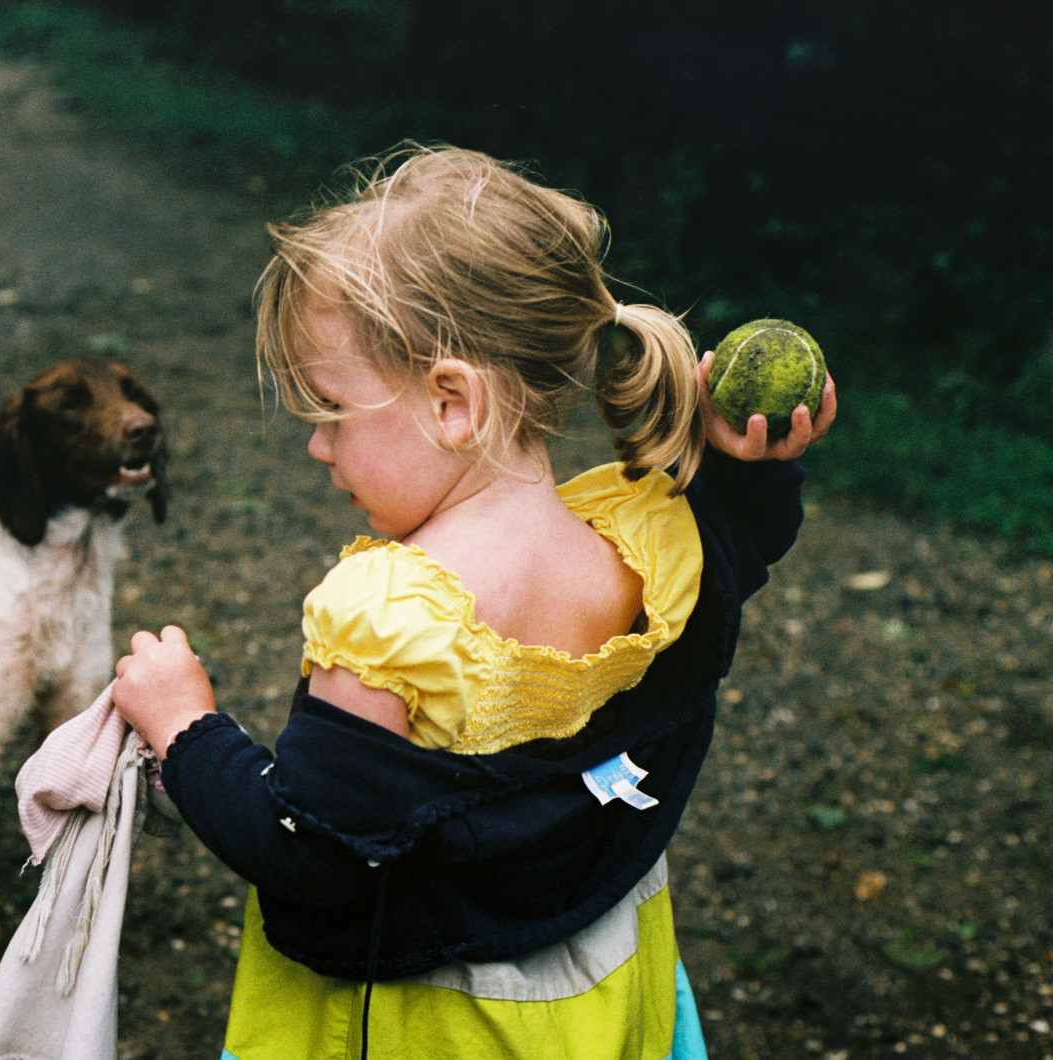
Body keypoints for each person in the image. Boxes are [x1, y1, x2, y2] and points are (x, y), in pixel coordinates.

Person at [111, 144, 835, 1060]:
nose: (318, 448)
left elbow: (309, 849)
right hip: (600, 985)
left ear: (454, 402)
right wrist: (750, 469)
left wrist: (187, 732)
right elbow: (736, 548)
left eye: (332, 410)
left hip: (433, 1026)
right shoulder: (643, 542)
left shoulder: (396, 623)